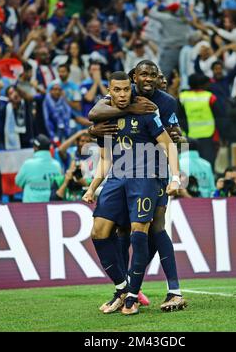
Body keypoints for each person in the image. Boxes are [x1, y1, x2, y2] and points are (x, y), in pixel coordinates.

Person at [88, 60, 187, 312]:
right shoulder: (124, 94)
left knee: (154, 227)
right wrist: (94, 128)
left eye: (155, 75)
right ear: (134, 77)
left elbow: (172, 136)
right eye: (144, 74)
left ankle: (167, 290)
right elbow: (96, 115)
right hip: (122, 171)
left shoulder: (163, 103)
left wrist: (176, 166)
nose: (150, 79)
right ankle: (126, 287)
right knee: (119, 230)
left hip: (153, 171)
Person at [178, 73, 218, 168]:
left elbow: (178, 116)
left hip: (186, 137)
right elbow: (219, 115)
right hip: (207, 135)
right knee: (207, 165)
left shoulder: (182, 96)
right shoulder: (210, 96)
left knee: (184, 165)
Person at [15, 134, 61, 203]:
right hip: (51, 207)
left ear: (35, 148)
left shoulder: (28, 164)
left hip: (30, 206)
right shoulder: (57, 165)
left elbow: (18, 182)